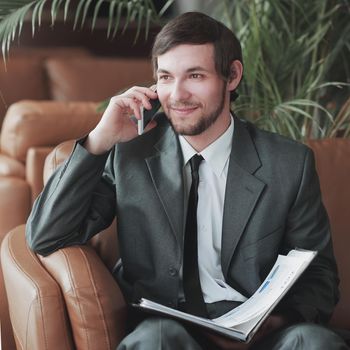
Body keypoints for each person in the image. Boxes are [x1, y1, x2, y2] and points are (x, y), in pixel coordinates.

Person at [26, 12, 347, 350]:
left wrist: (277, 323)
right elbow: (47, 235)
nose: (177, 95)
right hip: (167, 330)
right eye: (165, 77)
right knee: (156, 341)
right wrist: (99, 139)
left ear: (232, 75)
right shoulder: (128, 153)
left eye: (194, 75)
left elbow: (319, 273)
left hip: (259, 338)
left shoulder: (288, 163)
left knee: (313, 342)